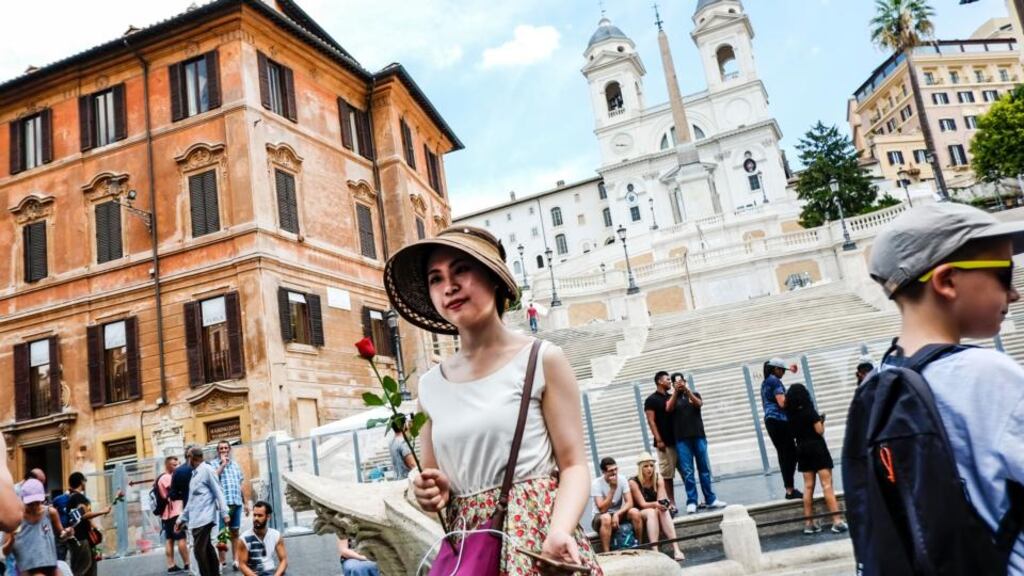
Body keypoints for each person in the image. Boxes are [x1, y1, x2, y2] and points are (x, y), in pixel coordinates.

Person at [385, 225, 602, 574]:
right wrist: (427, 491)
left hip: (537, 542)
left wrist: (560, 529)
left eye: (461, 270)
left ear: (494, 277)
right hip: (467, 548)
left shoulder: (541, 359)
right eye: (435, 279)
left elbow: (574, 465)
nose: (449, 286)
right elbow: (435, 484)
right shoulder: (429, 386)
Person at [852, 202, 1024, 573]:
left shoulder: (881, 380)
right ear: (946, 281)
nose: (1014, 294)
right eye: (1004, 275)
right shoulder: (989, 374)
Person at [783, 384, 846, 535]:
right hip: (817, 448)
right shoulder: (809, 411)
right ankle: (837, 521)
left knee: (808, 487)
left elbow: (792, 435)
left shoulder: (790, 416)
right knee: (827, 485)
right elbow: (819, 430)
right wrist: (821, 421)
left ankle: (809, 523)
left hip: (802, 449)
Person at [667, 373, 726, 514]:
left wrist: (687, 391)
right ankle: (692, 501)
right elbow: (668, 409)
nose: (679, 384)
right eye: (676, 382)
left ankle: (710, 499)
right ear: (673, 385)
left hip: (698, 436)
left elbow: (699, 404)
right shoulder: (671, 398)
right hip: (682, 439)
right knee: (688, 472)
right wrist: (676, 392)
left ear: (685, 381)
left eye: (681, 381)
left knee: (704, 469)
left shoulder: (694, 394)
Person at [176, 447, 229, 576]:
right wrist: (181, 519)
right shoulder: (194, 475)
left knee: (199, 552)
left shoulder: (207, 470)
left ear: (191, 458)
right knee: (208, 549)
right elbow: (191, 502)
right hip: (196, 520)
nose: (187, 460)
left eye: (187, 457)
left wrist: (224, 513)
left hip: (205, 519)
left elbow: (218, 492)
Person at [2, 479, 71, 576]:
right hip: (27, 568)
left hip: (50, 565)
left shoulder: (50, 513)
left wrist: (67, 533)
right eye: (30, 504)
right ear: (22, 499)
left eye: (37, 502)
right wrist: (12, 540)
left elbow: (61, 536)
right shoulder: (15, 518)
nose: (34, 506)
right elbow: (5, 551)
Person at [627, 453, 685, 561]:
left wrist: (664, 505)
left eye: (651, 465)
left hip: (656, 508)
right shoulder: (633, 482)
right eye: (645, 466)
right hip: (641, 511)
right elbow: (642, 504)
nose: (649, 468)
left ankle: (676, 549)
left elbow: (660, 500)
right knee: (651, 512)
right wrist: (656, 505)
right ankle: (655, 550)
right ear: (640, 468)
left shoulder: (658, 478)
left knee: (663, 511)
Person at [760, 359, 802, 501]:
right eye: (782, 370)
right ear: (775, 369)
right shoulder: (775, 381)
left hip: (770, 420)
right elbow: (782, 403)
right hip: (779, 420)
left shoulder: (765, 382)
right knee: (791, 453)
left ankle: (789, 490)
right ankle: (790, 489)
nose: (783, 372)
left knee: (784, 454)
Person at [66, 472, 114, 576]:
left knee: (90, 567)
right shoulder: (78, 497)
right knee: (82, 568)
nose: (85, 484)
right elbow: (83, 515)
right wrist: (103, 511)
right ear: (81, 482)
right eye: (84, 481)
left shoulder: (71, 497)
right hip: (81, 538)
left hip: (80, 538)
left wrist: (93, 526)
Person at [590, 457, 641, 553]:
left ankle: (640, 544)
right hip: (600, 517)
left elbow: (630, 502)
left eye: (616, 469)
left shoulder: (622, 479)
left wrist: (617, 514)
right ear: (604, 472)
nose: (614, 473)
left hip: (617, 514)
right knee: (606, 517)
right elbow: (602, 509)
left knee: (635, 512)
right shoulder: (596, 484)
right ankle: (607, 553)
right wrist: (612, 490)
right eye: (611, 471)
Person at [643, 371, 678, 509]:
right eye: (667, 379)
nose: (670, 381)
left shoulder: (671, 396)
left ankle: (691, 501)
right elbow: (651, 421)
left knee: (687, 472)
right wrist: (659, 440)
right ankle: (671, 501)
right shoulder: (651, 400)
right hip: (665, 443)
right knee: (667, 475)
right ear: (659, 381)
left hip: (679, 441)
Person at [214, 441, 251, 570]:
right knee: (222, 533)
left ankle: (235, 560)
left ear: (229, 449)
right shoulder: (213, 464)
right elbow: (213, 478)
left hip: (236, 502)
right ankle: (221, 561)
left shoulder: (235, 465)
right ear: (218, 451)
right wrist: (223, 464)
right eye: (221, 448)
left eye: (226, 448)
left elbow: (240, 485)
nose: (223, 450)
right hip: (222, 505)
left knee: (235, 532)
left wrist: (245, 503)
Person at [236, 501, 285, 576]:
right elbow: (242, 565)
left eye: (260, 515)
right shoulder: (244, 538)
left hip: (272, 572)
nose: (256, 518)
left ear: (268, 516)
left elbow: (284, 560)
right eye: (254, 515)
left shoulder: (276, 535)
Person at [158, 456, 189, 573]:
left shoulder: (163, 477)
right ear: (167, 465)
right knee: (181, 538)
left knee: (169, 539)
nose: (177, 467)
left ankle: (171, 565)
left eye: (178, 464)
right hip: (174, 512)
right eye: (174, 465)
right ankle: (187, 563)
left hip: (167, 514)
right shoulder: (167, 477)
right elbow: (176, 490)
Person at [388, 416, 415, 481]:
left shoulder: (391, 442)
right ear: (404, 425)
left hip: (397, 479)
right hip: (406, 480)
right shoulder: (403, 442)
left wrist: (408, 430)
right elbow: (412, 465)